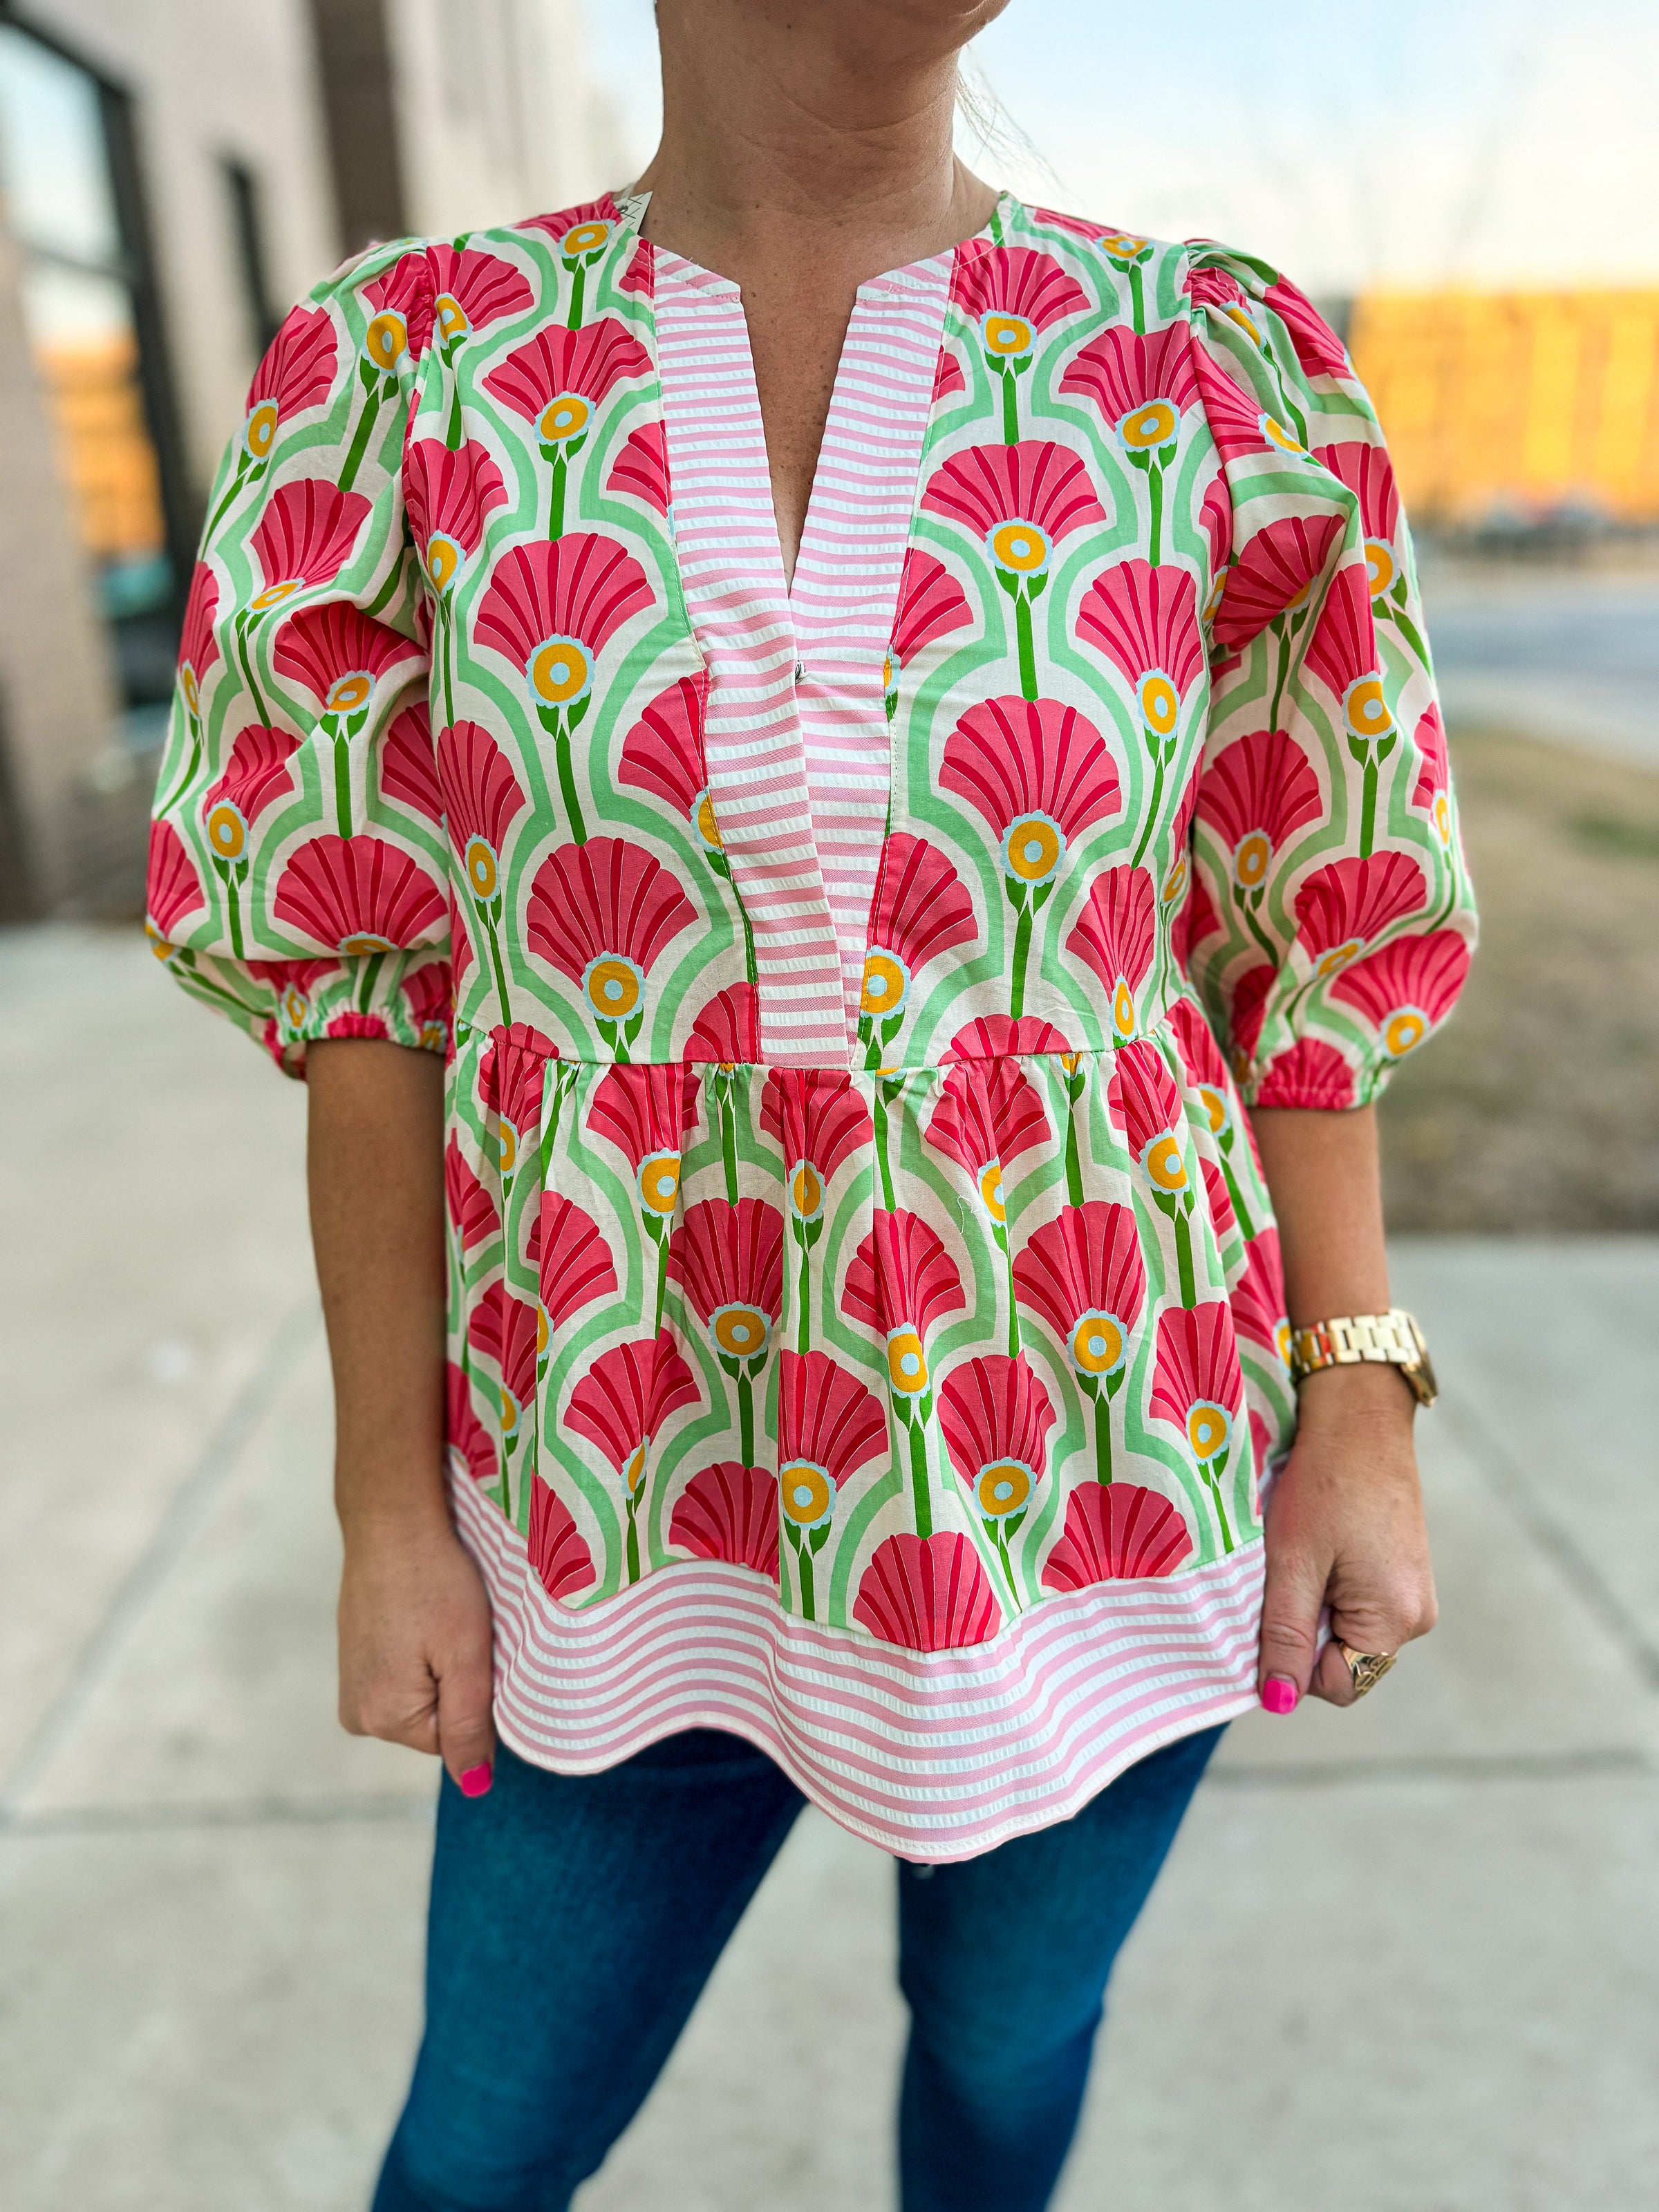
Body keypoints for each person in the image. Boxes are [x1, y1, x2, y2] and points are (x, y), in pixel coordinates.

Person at [145, 1, 1476, 2204]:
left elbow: (1298, 934)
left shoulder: (1207, 373)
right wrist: (389, 1504)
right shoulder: (406, 375)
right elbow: (368, 982)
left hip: (1101, 1463)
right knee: (479, 2151)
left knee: (1005, 2064)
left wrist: (1359, 1401)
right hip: (608, 1485)